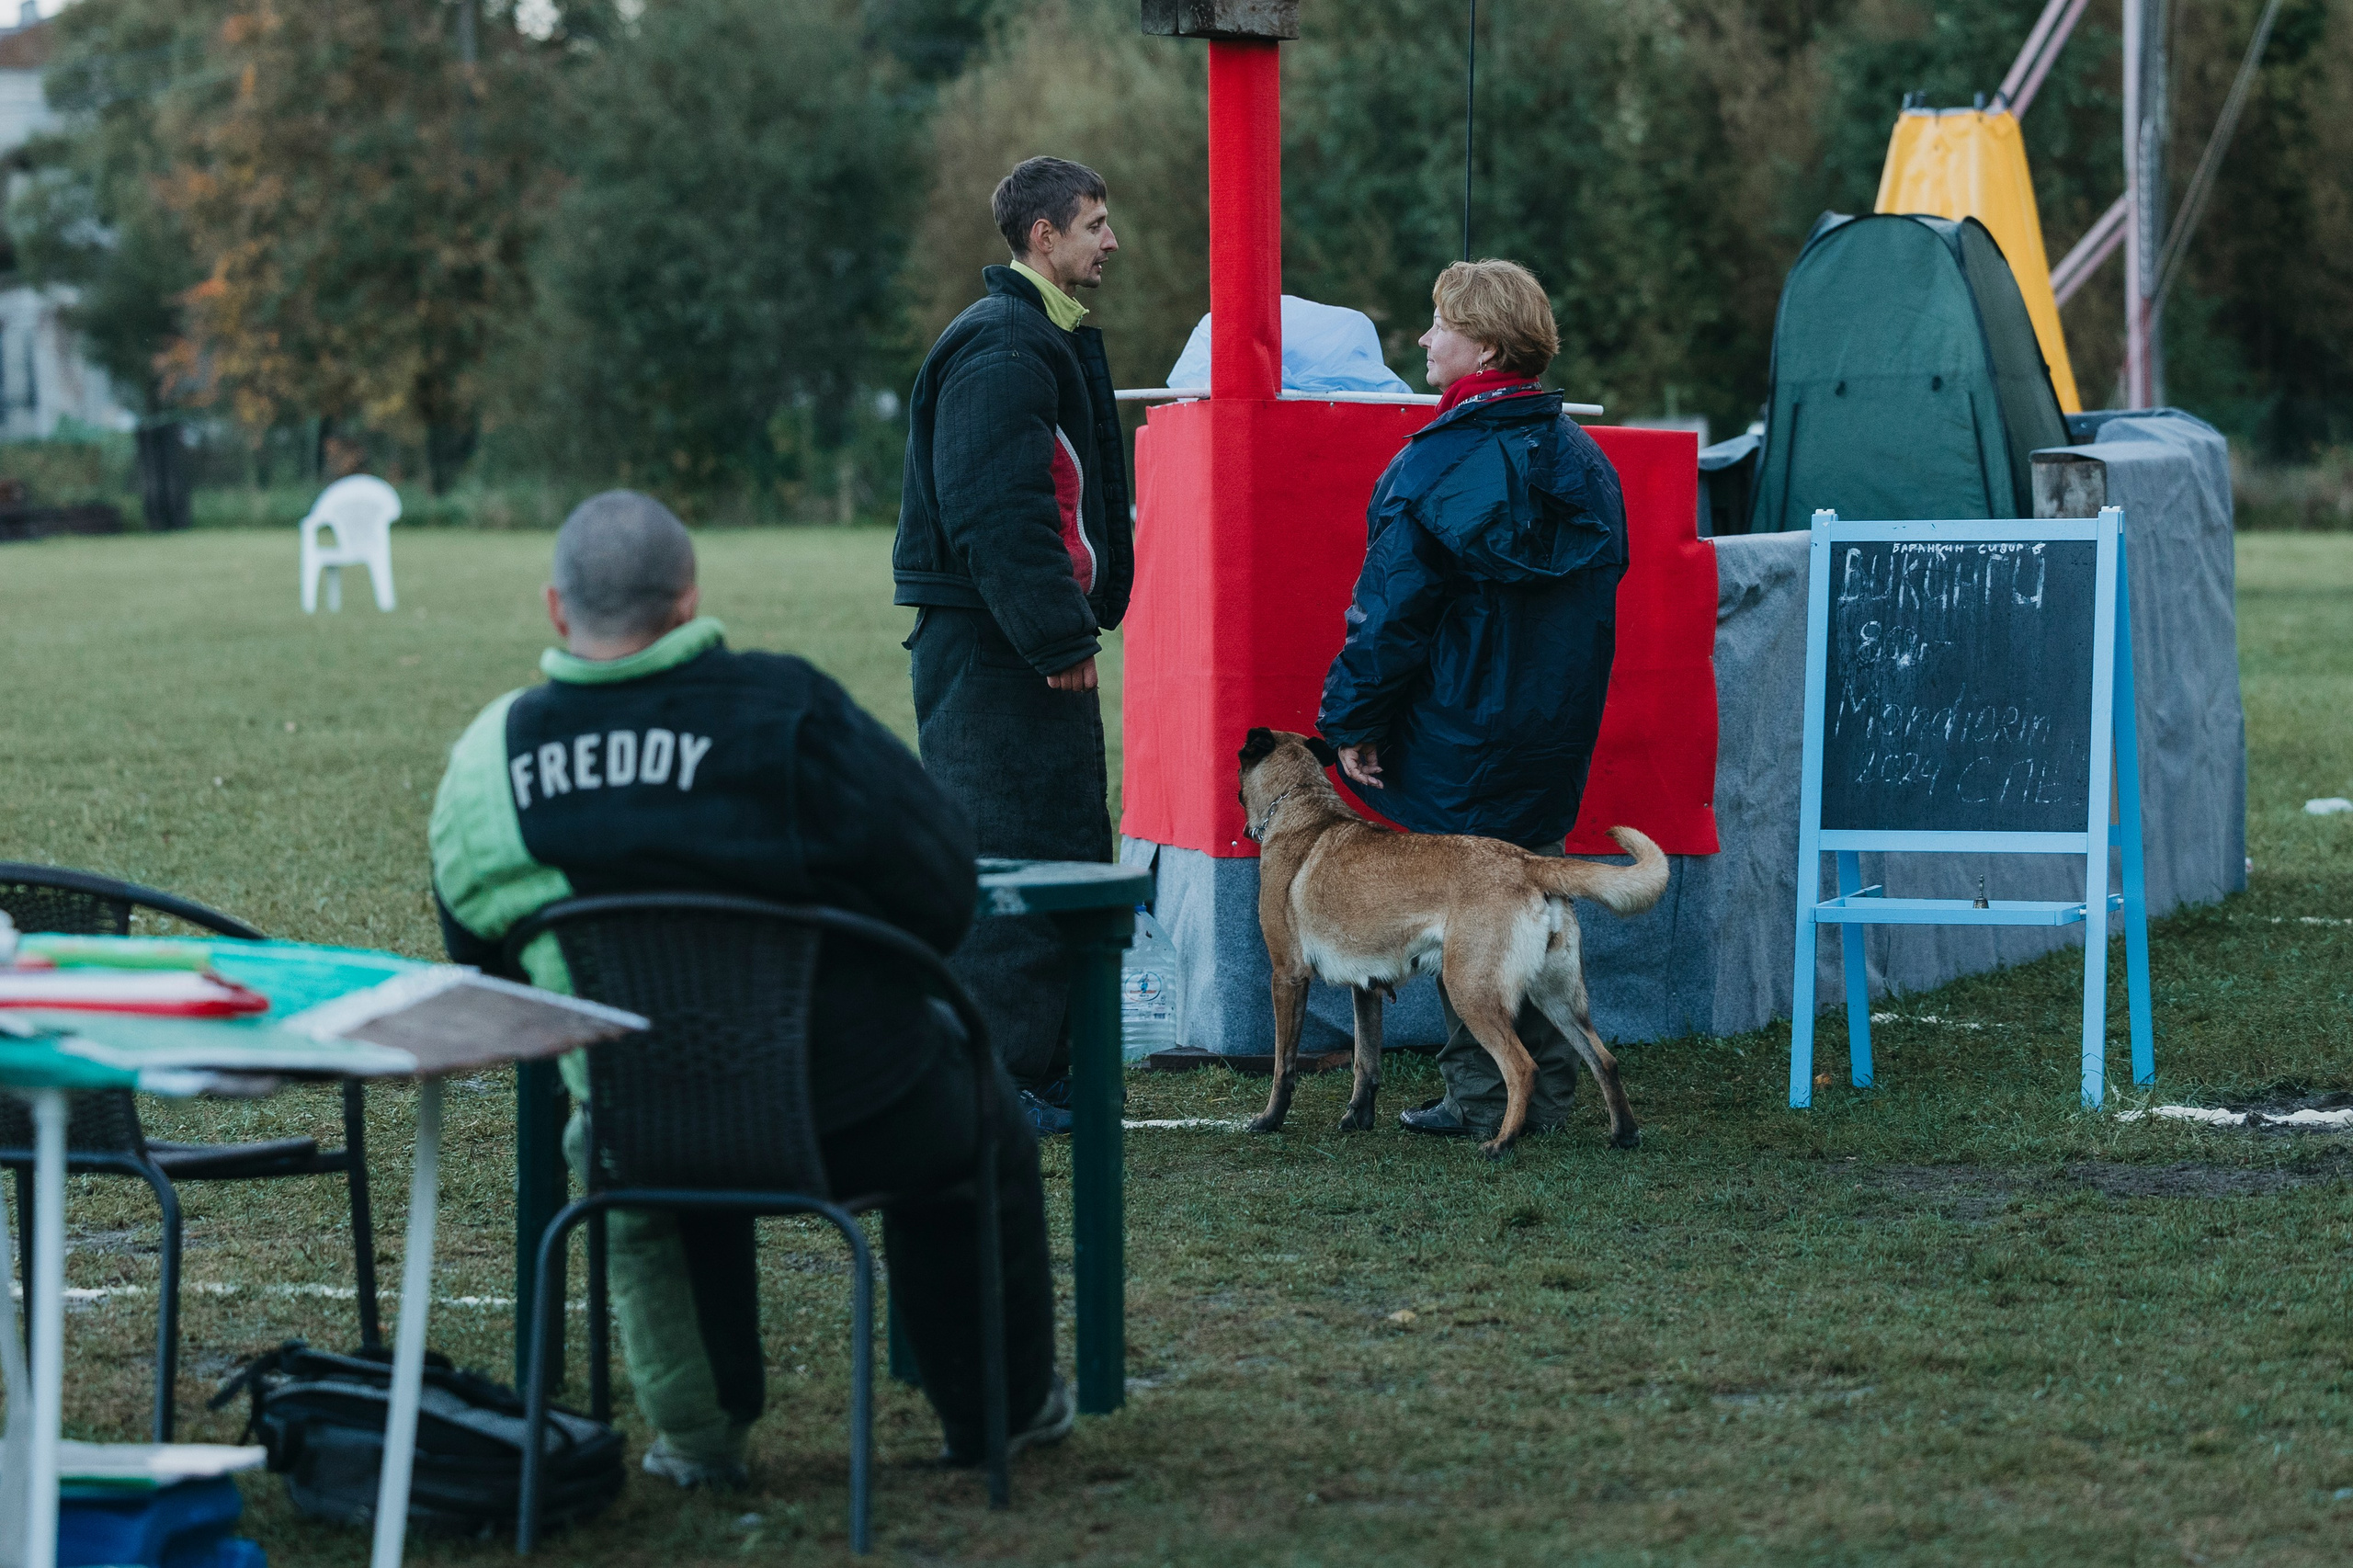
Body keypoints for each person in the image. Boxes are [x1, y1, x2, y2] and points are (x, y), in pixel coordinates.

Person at [428, 492, 1067, 1488]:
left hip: (641, 1124)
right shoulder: (789, 710)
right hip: (864, 1109)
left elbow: (490, 976)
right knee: (976, 1122)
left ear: (557, 609)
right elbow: (942, 887)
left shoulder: (486, 762)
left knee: (648, 1130)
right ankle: (1001, 1409)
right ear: (688, 602)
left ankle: (701, 1436)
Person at [1317, 259, 1629, 1141]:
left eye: (1439, 322)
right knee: (1530, 889)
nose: (1423, 338)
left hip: (1456, 725)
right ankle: (1548, 1096)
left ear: (1484, 344)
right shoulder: (1586, 463)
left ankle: (1485, 1099)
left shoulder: (1432, 463)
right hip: (1554, 726)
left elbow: (1390, 614)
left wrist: (1352, 719)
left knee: (1468, 899)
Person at [892, 156, 1133, 1136]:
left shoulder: (1033, 334)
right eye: (1094, 224)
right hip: (995, 644)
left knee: (1060, 847)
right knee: (1007, 855)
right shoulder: (1002, 345)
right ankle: (998, 1081)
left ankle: (1050, 1068)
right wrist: (1054, 629)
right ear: (1043, 237)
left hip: (1013, 638)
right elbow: (998, 507)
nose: (1109, 241)